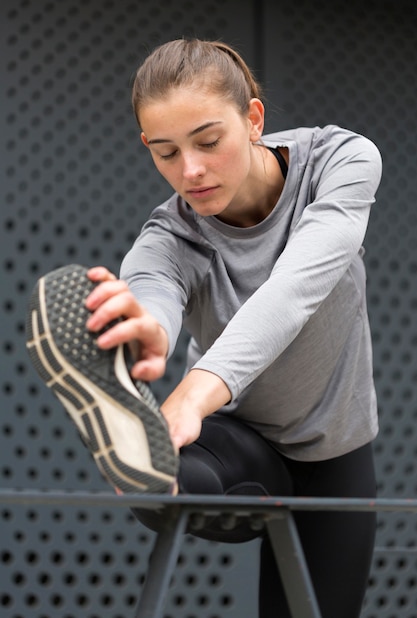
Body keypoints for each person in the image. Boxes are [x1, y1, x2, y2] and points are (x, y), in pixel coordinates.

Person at [26, 38, 383, 618]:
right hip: (238, 439)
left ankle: (156, 458)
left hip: (335, 453)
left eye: (208, 141)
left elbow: (294, 290)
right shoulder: (169, 238)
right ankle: (151, 469)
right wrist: (146, 332)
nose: (189, 171)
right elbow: (155, 296)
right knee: (172, 479)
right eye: (165, 153)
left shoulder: (340, 162)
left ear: (253, 118)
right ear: (146, 146)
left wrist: (192, 390)